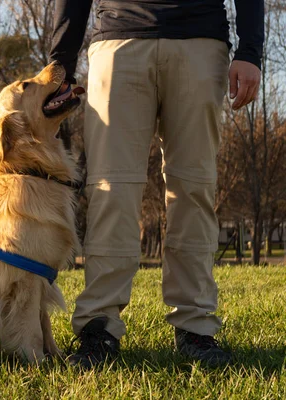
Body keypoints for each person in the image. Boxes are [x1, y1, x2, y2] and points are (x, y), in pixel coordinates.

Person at [47, 0, 264, 367]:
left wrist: (251, 51)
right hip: (119, 40)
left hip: (201, 40)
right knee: (110, 190)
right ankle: (99, 326)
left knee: (193, 189)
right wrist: (61, 61)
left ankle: (196, 325)